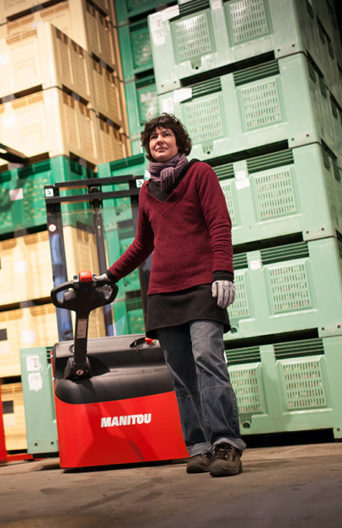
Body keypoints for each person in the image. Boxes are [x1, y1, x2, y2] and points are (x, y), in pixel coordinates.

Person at [102, 113, 246, 477]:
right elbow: (141, 245)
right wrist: (109, 275)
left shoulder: (201, 174)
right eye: (153, 137)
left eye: (166, 134)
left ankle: (225, 444)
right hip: (163, 292)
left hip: (202, 286)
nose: (159, 140)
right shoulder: (147, 192)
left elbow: (219, 223)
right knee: (182, 374)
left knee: (206, 357)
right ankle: (198, 446)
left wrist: (223, 272)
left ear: (180, 142)